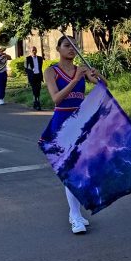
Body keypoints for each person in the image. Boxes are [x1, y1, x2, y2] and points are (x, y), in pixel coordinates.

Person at [43, 36, 103, 234]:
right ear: (58, 48)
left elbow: (104, 87)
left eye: (75, 46)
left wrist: (98, 75)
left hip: (81, 123)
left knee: (82, 169)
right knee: (70, 171)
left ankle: (74, 212)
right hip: (62, 124)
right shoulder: (51, 71)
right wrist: (76, 80)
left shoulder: (82, 70)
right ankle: (76, 217)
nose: (72, 49)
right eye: (67, 46)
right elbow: (57, 99)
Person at [25, 45, 44, 110]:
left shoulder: (40, 58)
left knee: (38, 89)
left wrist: (42, 76)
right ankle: (36, 102)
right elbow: (26, 69)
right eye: (33, 50)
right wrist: (30, 71)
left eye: (35, 50)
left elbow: (40, 68)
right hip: (32, 77)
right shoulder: (28, 58)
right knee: (34, 90)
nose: (34, 51)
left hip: (38, 76)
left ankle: (37, 102)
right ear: (30, 51)